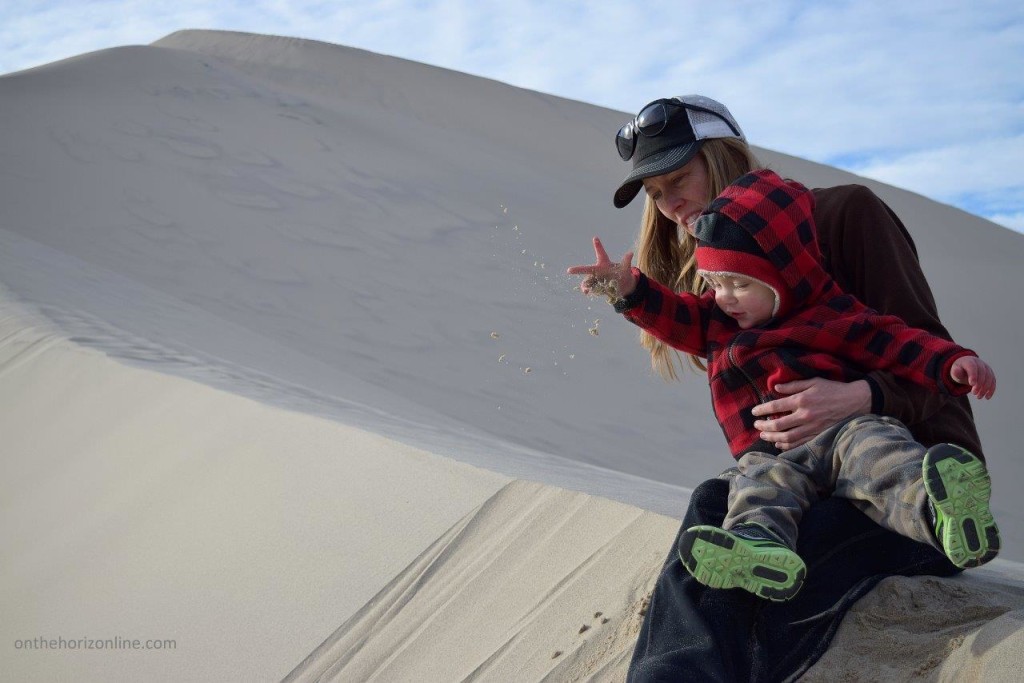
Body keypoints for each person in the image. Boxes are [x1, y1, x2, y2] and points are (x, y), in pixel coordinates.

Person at [566, 95, 988, 681]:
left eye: (678, 178)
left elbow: (932, 361)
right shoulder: (723, 283)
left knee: (751, 593)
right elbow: (683, 321)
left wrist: (863, 396)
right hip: (810, 482)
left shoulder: (843, 215)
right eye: (655, 193)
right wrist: (630, 293)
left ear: (723, 157)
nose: (669, 204)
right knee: (717, 515)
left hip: (905, 488)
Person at [591, 167, 1000, 601]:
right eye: (714, 283)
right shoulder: (720, 319)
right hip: (774, 454)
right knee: (757, 492)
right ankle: (760, 551)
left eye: (740, 283)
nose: (724, 296)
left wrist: (954, 362)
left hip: (846, 433)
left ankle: (943, 515)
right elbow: (676, 316)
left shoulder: (832, 314)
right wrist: (629, 290)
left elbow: (897, 341)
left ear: (782, 273)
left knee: (883, 462)